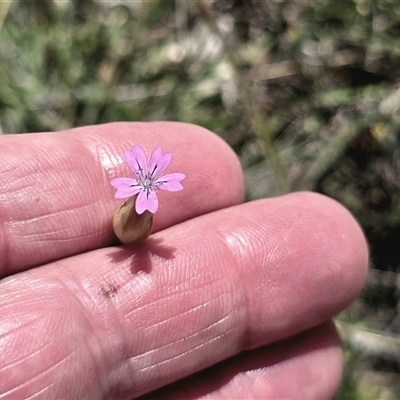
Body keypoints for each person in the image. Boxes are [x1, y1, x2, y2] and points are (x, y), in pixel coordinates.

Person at [0, 122, 368, 399]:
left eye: (151, 182)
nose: (148, 183)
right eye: (145, 181)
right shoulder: (138, 193)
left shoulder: (149, 194)